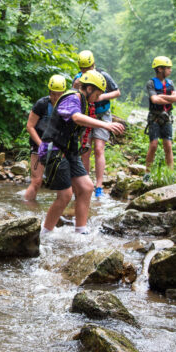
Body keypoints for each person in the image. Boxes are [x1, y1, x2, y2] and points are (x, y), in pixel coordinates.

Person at [38, 70, 125, 235]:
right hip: (54, 150)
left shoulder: (84, 101)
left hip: (69, 151)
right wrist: (105, 125)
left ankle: (81, 231)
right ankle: (45, 233)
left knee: (86, 187)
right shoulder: (72, 98)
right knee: (65, 195)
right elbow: (76, 118)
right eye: (98, 93)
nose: (99, 98)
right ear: (90, 89)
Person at [72, 50, 121, 199]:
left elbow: (117, 92)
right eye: (83, 69)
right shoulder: (78, 79)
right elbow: (74, 97)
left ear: (94, 64)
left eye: (88, 68)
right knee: (85, 150)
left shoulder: (103, 75)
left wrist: (100, 96)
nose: (86, 71)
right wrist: (75, 87)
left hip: (102, 114)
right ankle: (85, 183)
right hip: (86, 115)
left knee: (99, 149)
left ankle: (99, 186)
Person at [24, 75, 66, 202]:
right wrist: (41, 144)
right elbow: (30, 126)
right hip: (38, 146)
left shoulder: (67, 106)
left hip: (57, 147)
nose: (55, 98)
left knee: (64, 183)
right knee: (37, 181)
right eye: (53, 94)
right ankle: (27, 207)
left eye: (59, 94)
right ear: (49, 92)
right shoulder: (41, 104)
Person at [144, 56, 176, 180]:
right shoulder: (151, 83)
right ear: (160, 69)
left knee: (168, 146)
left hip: (167, 117)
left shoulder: (170, 83)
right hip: (155, 117)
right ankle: (147, 173)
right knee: (153, 145)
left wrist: (162, 97)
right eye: (168, 68)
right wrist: (169, 97)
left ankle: (170, 174)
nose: (170, 70)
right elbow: (154, 99)